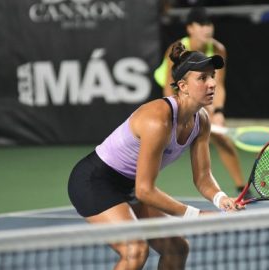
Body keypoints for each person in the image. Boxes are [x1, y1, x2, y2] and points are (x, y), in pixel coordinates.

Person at [68, 42, 243, 270]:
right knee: (135, 252)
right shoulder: (157, 120)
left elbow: (202, 177)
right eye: (202, 78)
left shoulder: (202, 121)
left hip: (127, 186)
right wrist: (196, 215)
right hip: (94, 181)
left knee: (177, 249)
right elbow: (145, 190)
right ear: (183, 86)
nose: (212, 84)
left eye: (213, 76)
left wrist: (221, 200)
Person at [155, 6, 250, 196]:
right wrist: (177, 114)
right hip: (177, 88)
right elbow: (169, 86)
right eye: (201, 24)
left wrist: (218, 112)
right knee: (160, 141)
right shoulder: (177, 50)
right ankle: (139, 184)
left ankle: (242, 188)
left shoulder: (217, 49)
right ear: (190, 28)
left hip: (200, 88)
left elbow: (218, 85)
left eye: (209, 24)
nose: (207, 29)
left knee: (221, 138)